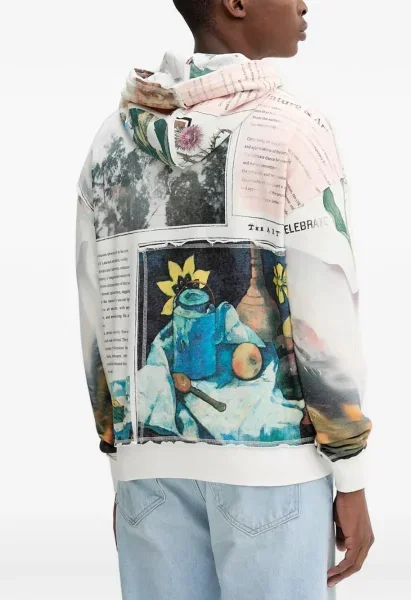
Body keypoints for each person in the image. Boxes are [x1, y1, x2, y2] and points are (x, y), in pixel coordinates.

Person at [75, 1, 375, 598]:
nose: (304, 4)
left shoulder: (110, 143)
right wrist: (351, 473)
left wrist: (123, 462)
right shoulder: (293, 130)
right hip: (275, 475)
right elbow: (322, 321)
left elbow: (96, 316)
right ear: (236, 2)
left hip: (148, 472)